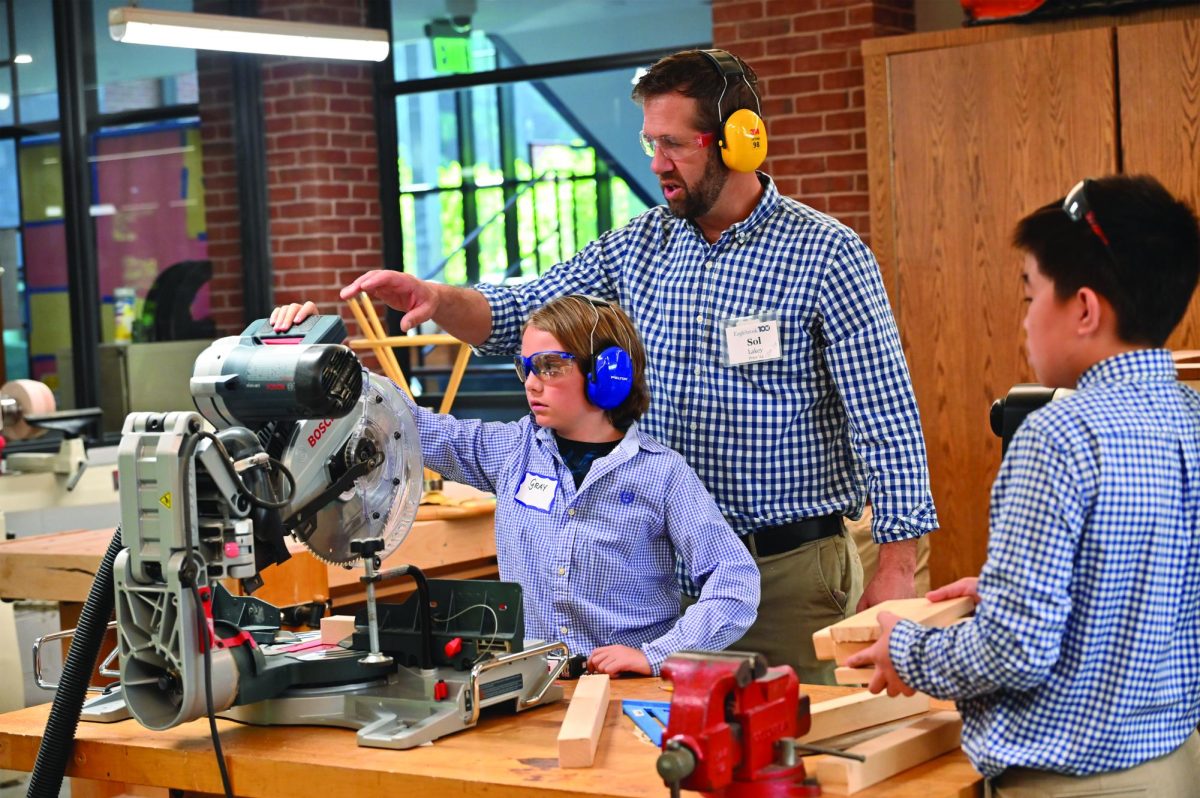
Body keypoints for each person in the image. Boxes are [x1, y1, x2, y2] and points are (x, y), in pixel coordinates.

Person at [281, 48, 939, 682]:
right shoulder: (637, 246)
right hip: (655, 580)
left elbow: (884, 413)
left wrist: (897, 563)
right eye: (651, 142)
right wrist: (438, 299)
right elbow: (525, 312)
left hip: (782, 576)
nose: (657, 163)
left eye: (674, 144)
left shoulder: (826, 256)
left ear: (739, 141)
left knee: (788, 763)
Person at [848, 174, 1200, 795]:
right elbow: (1155, 582)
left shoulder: (1058, 434)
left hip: (1072, 782)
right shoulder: (1189, 415)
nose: (1027, 320)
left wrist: (907, 651)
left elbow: (1016, 648)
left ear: (1085, 309)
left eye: (1031, 295)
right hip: (1176, 764)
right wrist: (1014, 588)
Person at [272, 295, 760, 677]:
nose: (532, 383)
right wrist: (325, 360)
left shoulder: (662, 474)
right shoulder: (512, 453)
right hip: (534, 686)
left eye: (550, 366)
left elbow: (735, 582)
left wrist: (654, 656)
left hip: (627, 691)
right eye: (526, 367)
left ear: (607, 374)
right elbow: (406, 423)